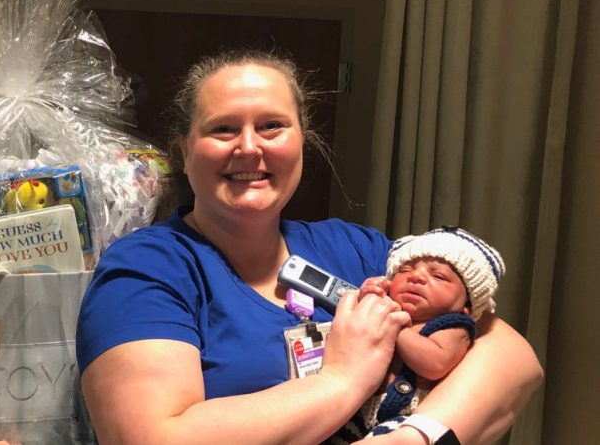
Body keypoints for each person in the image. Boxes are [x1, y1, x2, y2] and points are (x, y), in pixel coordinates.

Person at [75, 50, 542, 445]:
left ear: (303, 141)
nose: (249, 147)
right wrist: (343, 380)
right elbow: (154, 438)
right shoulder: (147, 269)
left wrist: (413, 435)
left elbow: (512, 359)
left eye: (272, 126)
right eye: (222, 129)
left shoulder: (354, 250)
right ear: (183, 149)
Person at [336, 226, 506, 441]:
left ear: (467, 305)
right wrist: (368, 297)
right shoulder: (389, 306)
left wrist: (394, 326)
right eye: (405, 270)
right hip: (357, 408)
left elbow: (435, 364)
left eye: (439, 276)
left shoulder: (453, 326)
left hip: (406, 417)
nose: (416, 276)